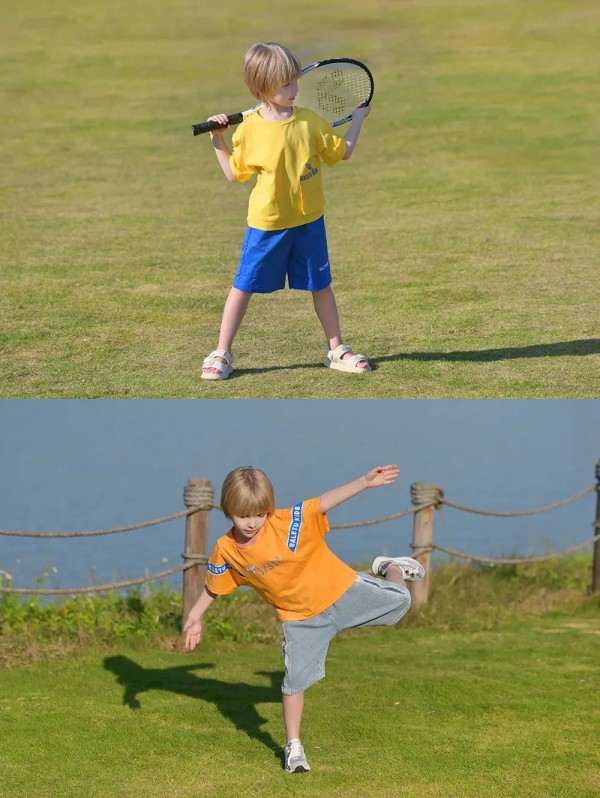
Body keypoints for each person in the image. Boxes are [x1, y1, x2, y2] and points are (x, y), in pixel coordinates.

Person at [183, 464, 425, 774]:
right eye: (244, 516)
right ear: (228, 510)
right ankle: (294, 747)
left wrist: (364, 481)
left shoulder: (288, 522)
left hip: (342, 592)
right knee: (293, 682)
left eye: (260, 514)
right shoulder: (226, 550)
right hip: (300, 620)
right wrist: (194, 616)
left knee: (402, 601)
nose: (253, 523)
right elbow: (214, 586)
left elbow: (324, 501)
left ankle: (393, 568)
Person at [200, 41, 372, 380]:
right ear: (262, 87)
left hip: (309, 222)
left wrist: (357, 119)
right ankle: (221, 352)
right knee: (243, 285)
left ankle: (336, 349)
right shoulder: (248, 129)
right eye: (286, 84)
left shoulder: (311, 122)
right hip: (267, 225)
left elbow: (343, 152)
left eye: (295, 81)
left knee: (321, 284)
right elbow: (235, 173)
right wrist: (217, 139)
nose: (295, 89)